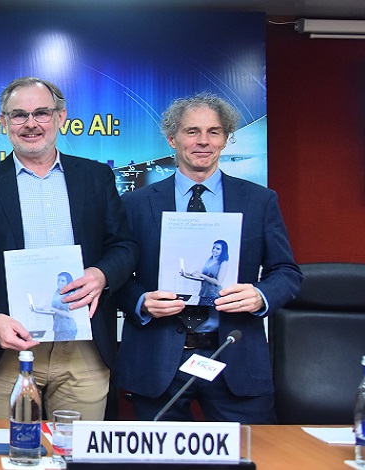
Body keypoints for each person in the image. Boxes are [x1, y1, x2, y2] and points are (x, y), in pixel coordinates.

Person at [0, 77, 137, 420]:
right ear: (4, 121)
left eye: (42, 113)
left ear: (60, 117)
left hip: (84, 349)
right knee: (10, 448)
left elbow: (123, 246)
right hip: (9, 348)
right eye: (19, 115)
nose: (31, 123)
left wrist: (101, 274)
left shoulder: (96, 177)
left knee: (75, 449)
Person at [114, 92, 302, 423]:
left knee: (255, 450)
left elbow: (287, 272)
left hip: (234, 354)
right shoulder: (135, 203)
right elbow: (115, 276)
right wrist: (141, 301)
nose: (203, 141)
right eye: (192, 131)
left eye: (214, 132)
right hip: (158, 360)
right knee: (158, 454)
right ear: (172, 139)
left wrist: (259, 295)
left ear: (225, 139)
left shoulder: (259, 200)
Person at [33, 272, 77, 341]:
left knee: (64, 348)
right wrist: (37, 310)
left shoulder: (71, 294)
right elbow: (54, 312)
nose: (59, 282)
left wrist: (52, 309)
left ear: (68, 282)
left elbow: (69, 314)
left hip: (67, 329)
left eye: (63, 281)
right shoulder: (57, 294)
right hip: (58, 328)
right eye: (58, 280)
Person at [193, 240, 229, 305]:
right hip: (203, 294)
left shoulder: (223, 263)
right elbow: (204, 278)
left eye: (218, 249)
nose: (214, 250)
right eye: (213, 248)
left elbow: (218, 282)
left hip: (214, 296)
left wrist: (201, 275)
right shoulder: (208, 261)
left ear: (223, 251)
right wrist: (190, 276)